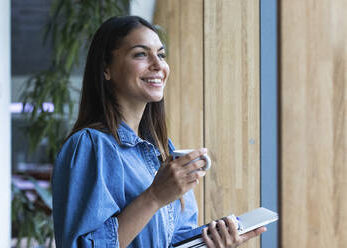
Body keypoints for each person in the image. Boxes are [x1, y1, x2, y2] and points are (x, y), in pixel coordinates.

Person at [52, 15, 266, 248]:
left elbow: (171, 240)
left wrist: (211, 241)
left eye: (161, 55)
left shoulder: (163, 149)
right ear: (106, 69)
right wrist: (154, 197)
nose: (158, 65)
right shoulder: (90, 146)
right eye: (141, 54)